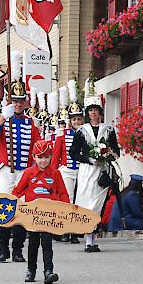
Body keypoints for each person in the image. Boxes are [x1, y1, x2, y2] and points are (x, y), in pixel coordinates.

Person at [0, 78, 41, 263]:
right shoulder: (2, 120)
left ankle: (17, 249)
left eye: (20, 101)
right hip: (5, 170)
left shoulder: (30, 123)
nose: (18, 104)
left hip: (24, 171)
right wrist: (2, 118)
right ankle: (3, 249)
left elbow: (37, 146)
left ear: (25, 102)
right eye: (15, 101)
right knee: (3, 206)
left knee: (22, 209)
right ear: (10, 102)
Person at [69, 90, 120, 252]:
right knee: (86, 202)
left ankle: (93, 238)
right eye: (91, 110)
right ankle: (87, 239)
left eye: (96, 110)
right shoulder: (81, 131)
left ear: (100, 112)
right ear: (87, 113)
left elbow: (116, 150)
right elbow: (73, 153)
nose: (93, 113)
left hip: (102, 171)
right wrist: (89, 159)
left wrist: (109, 155)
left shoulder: (109, 130)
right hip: (87, 170)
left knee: (99, 203)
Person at [11, 141, 67, 284]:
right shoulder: (28, 173)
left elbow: (63, 194)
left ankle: (48, 271)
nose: (43, 161)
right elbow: (17, 191)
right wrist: (13, 204)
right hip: (32, 217)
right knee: (33, 243)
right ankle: (31, 270)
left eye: (47, 157)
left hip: (49, 216)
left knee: (47, 243)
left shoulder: (56, 174)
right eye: (40, 157)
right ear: (34, 157)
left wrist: (67, 211)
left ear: (51, 157)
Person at [52, 97, 84, 244]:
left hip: (82, 171)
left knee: (80, 200)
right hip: (67, 171)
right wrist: (52, 173)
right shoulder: (62, 134)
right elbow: (56, 155)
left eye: (78, 119)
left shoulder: (87, 133)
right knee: (68, 200)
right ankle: (66, 230)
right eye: (74, 119)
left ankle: (76, 231)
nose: (76, 122)